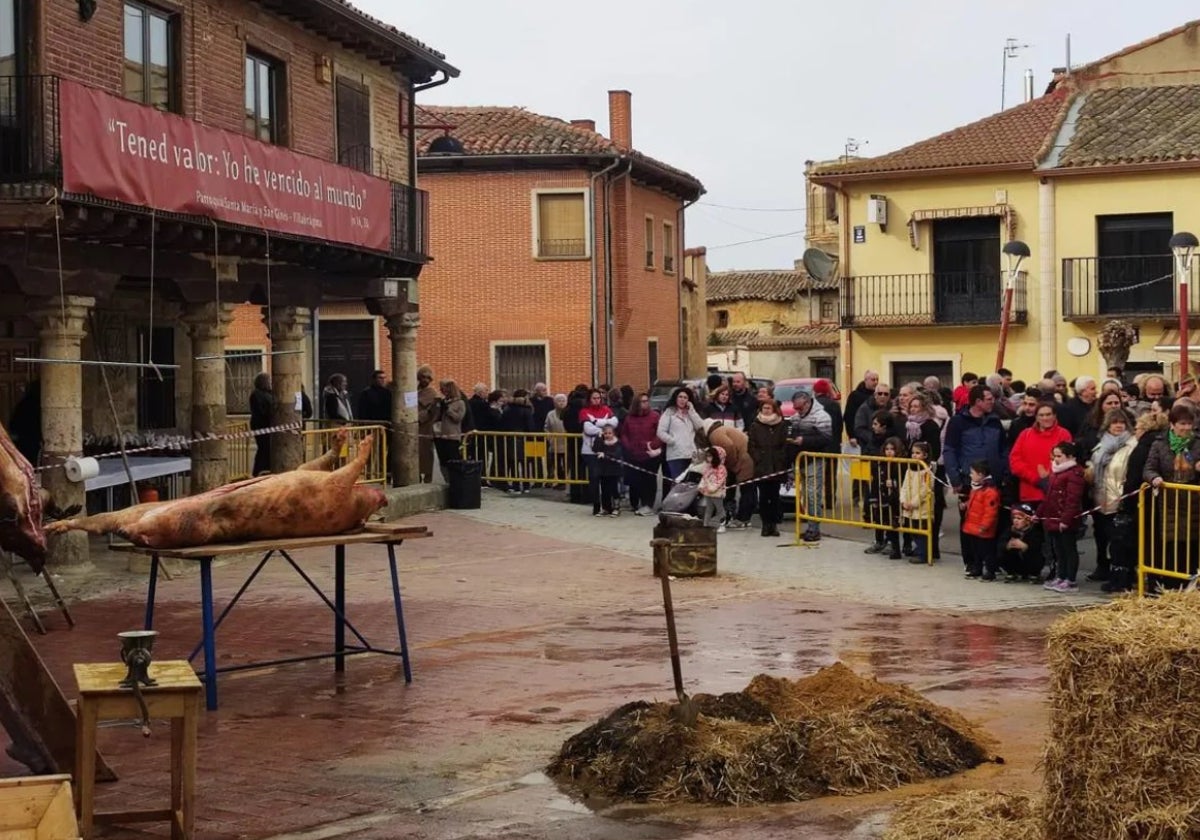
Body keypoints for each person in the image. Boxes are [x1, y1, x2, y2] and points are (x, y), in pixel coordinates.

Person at [1144, 403, 1200, 579]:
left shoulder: (1198, 443)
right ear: (1172, 424)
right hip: (1169, 502)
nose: (1186, 428)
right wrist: (1154, 478)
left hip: (1194, 501)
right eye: (1182, 424)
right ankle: (1172, 582)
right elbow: (1149, 467)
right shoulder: (1160, 444)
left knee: (1193, 542)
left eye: (1189, 424)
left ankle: (1192, 580)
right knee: (1172, 542)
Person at [1088, 408, 1137, 585]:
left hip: (1120, 499)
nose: (1118, 426)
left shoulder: (1131, 444)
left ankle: (1122, 576)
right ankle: (1105, 569)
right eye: (1114, 422)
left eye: (1121, 422)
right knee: (1103, 537)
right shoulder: (1102, 443)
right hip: (1101, 498)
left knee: (1120, 541)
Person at [1039, 442, 1087, 593]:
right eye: (1055, 456)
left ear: (1070, 456)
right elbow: (1049, 497)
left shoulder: (1074, 474)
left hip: (1065, 519)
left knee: (1069, 549)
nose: (1056, 459)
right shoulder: (1055, 472)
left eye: (1059, 456)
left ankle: (1070, 579)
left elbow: (1072, 500)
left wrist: (1066, 520)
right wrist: (1039, 514)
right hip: (1053, 517)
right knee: (1058, 550)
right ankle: (1061, 575)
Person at [788, 387, 833, 543]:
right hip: (801, 460)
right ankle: (809, 526)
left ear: (806, 402)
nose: (797, 411)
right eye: (795, 408)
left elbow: (827, 439)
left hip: (815, 460)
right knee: (806, 496)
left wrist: (804, 441)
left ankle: (815, 528)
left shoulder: (822, 417)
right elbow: (791, 434)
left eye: (799, 408)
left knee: (814, 495)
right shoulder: (795, 418)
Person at [1009, 402, 1072, 505]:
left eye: (1048, 414)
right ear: (1036, 417)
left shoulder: (1063, 434)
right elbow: (1015, 462)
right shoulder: (1025, 434)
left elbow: (1067, 462)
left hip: (1056, 494)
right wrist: (1036, 479)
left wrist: (1050, 480)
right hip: (1029, 493)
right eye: (1041, 415)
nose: (1045, 418)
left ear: (1054, 415)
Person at [747, 398, 789, 538]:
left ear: (774, 410)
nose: (766, 410)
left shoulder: (781, 425)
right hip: (762, 466)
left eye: (769, 408)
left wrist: (782, 459)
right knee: (764, 497)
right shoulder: (755, 425)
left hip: (777, 465)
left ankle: (774, 524)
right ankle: (765, 524)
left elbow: (785, 444)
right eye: (764, 408)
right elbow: (751, 445)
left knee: (775, 496)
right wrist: (758, 458)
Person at [619, 392, 662, 515]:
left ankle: (648, 504)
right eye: (642, 401)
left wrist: (653, 446)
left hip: (650, 454)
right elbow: (624, 434)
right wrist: (628, 446)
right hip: (633, 454)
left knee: (649, 480)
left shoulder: (655, 416)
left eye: (646, 401)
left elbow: (659, 433)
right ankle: (635, 503)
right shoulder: (629, 418)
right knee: (635, 480)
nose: (645, 403)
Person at [962, 460, 1001, 580]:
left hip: (983, 528)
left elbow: (990, 511)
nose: (970, 475)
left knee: (987, 551)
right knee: (976, 550)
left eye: (972, 473)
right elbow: (975, 503)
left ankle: (990, 571)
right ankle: (977, 568)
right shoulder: (976, 488)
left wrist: (985, 525)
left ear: (981, 474)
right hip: (973, 525)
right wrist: (966, 505)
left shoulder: (989, 491)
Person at [657, 388, 704, 481]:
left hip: (691, 455)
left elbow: (700, 426)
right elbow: (660, 432)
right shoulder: (669, 412)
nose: (682, 400)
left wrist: (692, 411)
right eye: (680, 397)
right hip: (676, 455)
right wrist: (673, 441)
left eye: (685, 397)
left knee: (691, 484)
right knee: (679, 484)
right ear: (676, 398)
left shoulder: (690, 413)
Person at [581, 388, 618, 507]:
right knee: (594, 478)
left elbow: (614, 423)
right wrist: (605, 426)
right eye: (594, 398)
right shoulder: (584, 411)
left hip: (606, 449)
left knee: (606, 479)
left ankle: (607, 505)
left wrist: (596, 422)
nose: (597, 400)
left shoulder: (606, 409)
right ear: (589, 399)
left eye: (599, 398)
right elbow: (588, 429)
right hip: (590, 450)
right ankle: (596, 505)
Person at [900, 440, 934, 564]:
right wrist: (903, 501)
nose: (914, 455)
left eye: (918, 453)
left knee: (922, 531)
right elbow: (903, 487)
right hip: (909, 507)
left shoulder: (927, 471)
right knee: (913, 529)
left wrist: (913, 503)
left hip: (922, 508)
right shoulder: (909, 470)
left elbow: (925, 490)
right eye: (913, 453)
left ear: (925, 455)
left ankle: (923, 554)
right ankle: (920, 550)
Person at [500, 388, 536, 494]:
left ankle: (515, 486)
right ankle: (525, 486)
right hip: (524, 439)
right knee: (525, 463)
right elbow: (530, 426)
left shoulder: (507, 409)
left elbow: (502, 424)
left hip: (510, 439)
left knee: (513, 463)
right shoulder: (527, 410)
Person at [432, 379, 468, 483]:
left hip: (452, 436)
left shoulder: (460, 403)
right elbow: (436, 416)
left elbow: (458, 418)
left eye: (445, 390)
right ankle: (447, 480)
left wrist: (449, 410)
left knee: (453, 460)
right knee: (442, 460)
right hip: (439, 434)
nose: (443, 392)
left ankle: (456, 480)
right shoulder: (442, 402)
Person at [1000, 502, 1044, 583]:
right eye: (1014, 518)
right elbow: (1001, 543)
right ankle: (1011, 573)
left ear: (1027, 520)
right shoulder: (1010, 530)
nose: (1016, 521)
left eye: (1019, 518)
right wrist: (1007, 545)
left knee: (1034, 554)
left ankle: (1034, 574)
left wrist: (1025, 546)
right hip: (1017, 563)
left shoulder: (1034, 531)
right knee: (1002, 552)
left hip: (1029, 562)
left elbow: (1038, 546)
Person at [591, 424, 625, 517]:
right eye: (605, 433)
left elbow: (617, 454)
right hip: (603, 470)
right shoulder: (601, 442)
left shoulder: (617, 442)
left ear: (613, 433)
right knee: (604, 490)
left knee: (614, 489)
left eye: (610, 433)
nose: (607, 435)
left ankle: (616, 508)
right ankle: (606, 508)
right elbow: (595, 449)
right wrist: (598, 438)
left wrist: (605, 454)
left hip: (614, 471)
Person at [7, 380, 41, 466]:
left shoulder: (24, 404)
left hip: (24, 439)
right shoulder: (35, 404)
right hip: (30, 439)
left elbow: (13, 424)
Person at [415, 366, 439, 484]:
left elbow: (432, 410)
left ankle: (428, 477)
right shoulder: (415, 389)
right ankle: (417, 475)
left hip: (426, 427)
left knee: (426, 453)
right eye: (422, 377)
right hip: (414, 427)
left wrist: (419, 417)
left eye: (427, 377)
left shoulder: (431, 392)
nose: (425, 380)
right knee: (416, 453)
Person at [249, 372, 275, 476]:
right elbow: (262, 411)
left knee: (266, 450)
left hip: (267, 426)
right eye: (269, 381)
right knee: (263, 449)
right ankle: (258, 471)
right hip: (261, 425)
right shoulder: (257, 394)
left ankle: (265, 470)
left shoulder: (268, 393)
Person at [698, 445, 728, 533]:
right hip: (708, 491)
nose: (708, 458)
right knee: (709, 508)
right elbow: (704, 478)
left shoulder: (721, 469)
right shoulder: (708, 467)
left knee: (720, 509)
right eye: (707, 456)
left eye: (710, 456)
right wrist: (701, 486)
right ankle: (705, 525)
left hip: (717, 492)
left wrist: (712, 487)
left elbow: (720, 481)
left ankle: (722, 525)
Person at [844, 370, 879, 446]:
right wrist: (851, 435)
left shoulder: (878, 396)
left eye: (877, 380)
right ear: (866, 380)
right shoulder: (855, 396)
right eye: (873, 380)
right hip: (859, 436)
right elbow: (849, 416)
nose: (876, 382)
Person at [544, 393, 569, 486]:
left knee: (566, 463)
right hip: (554, 443)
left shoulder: (568, 412)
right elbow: (546, 428)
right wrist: (549, 437)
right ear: (554, 403)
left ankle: (564, 481)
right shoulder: (550, 414)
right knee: (556, 463)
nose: (561, 403)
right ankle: (555, 480)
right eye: (559, 401)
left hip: (567, 443)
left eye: (563, 401)